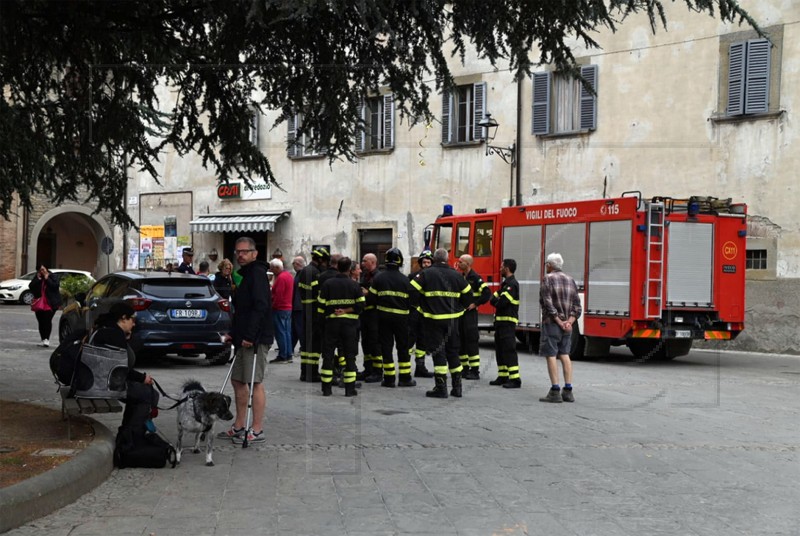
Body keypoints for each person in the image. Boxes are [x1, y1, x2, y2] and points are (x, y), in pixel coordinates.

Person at [218, 237, 274, 444]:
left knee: (254, 381)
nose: (240, 255)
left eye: (245, 251)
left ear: (254, 253)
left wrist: (250, 335)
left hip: (256, 339)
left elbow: (261, 307)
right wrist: (235, 332)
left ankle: (257, 428)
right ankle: (239, 425)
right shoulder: (246, 275)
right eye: (238, 252)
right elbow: (242, 310)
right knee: (237, 380)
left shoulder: (257, 274)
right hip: (243, 338)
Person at [410, 248, 472, 398]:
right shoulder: (456, 275)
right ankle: (457, 388)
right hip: (452, 321)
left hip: (433, 321)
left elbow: (411, 290)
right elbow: (469, 295)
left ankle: (441, 387)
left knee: (439, 353)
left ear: (434, 259)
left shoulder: (426, 273)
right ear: (447, 258)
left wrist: (420, 307)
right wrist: (460, 309)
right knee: (453, 352)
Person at [92, 302, 159, 431]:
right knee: (149, 394)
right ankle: (133, 434)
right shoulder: (114, 335)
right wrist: (142, 378)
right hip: (106, 385)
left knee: (141, 394)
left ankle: (130, 430)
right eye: (132, 319)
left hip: (98, 380)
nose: (134, 324)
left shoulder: (105, 328)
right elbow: (120, 368)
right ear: (123, 318)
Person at [538, 252, 582, 403]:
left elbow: (547, 303)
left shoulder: (547, 279)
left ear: (549, 265)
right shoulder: (570, 280)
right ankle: (568, 390)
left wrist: (558, 320)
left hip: (552, 324)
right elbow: (577, 306)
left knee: (551, 354)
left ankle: (555, 390)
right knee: (565, 354)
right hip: (567, 326)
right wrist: (569, 322)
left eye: (546, 265)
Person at [318, 256, 365, 397]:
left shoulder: (327, 284)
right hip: (350, 327)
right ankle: (349, 389)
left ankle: (326, 389)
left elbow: (320, 307)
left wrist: (329, 316)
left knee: (328, 356)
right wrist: (346, 311)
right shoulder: (355, 285)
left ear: (337, 267)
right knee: (349, 356)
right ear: (350, 269)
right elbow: (361, 305)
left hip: (331, 325)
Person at [370, 248, 416, 388]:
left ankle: (389, 379)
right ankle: (405, 378)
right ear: (400, 261)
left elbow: (371, 299)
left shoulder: (378, 278)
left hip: (383, 318)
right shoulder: (406, 280)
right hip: (402, 319)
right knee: (403, 348)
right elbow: (413, 301)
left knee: (386, 347)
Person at [297, 247, 330, 382]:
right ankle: (313, 373)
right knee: (315, 342)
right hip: (314, 310)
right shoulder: (316, 273)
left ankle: (304, 372)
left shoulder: (304, 271)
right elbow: (319, 292)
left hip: (305, 309)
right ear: (321, 260)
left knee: (306, 342)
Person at [457, 254, 491, 380]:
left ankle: (475, 371)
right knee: (461, 342)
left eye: (460, 262)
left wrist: (476, 303)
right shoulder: (461, 277)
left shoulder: (475, 278)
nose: (458, 263)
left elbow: (487, 293)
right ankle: (464, 369)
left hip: (470, 315)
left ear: (468, 264)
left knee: (471, 342)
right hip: (460, 314)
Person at [489, 259, 521, 388]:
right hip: (501, 323)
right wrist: (496, 300)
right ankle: (503, 375)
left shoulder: (512, 284)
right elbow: (492, 298)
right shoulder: (505, 284)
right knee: (500, 350)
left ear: (507, 268)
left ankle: (515, 379)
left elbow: (501, 303)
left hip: (508, 322)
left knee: (509, 350)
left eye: (501, 267)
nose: (499, 269)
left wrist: (497, 301)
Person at [408, 250, 434, 378]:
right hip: (414, 312)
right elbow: (410, 293)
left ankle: (420, 367)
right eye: (424, 262)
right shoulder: (413, 277)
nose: (426, 264)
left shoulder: (434, 277)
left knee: (422, 341)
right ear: (420, 263)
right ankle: (405, 366)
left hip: (426, 314)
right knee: (409, 340)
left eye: (429, 262)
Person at [359, 253, 382, 382]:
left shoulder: (378, 277)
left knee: (375, 343)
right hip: (365, 315)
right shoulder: (365, 275)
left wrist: (368, 293)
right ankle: (368, 369)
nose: (362, 263)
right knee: (366, 343)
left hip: (374, 315)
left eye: (364, 261)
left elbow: (379, 296)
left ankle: (378, 371)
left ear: (372, 262)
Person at [29, 265, 62, 347]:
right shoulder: (37, 278)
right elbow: (31, 287)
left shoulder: (53, 276)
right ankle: (43, 338)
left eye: (43, 269)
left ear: (47, 269)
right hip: (39, 303)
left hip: (50, 303)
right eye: (40, 270)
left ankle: (47, 339)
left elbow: (55, 286)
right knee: (41, 321)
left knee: (47, 320)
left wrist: (47, 279)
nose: (42, 271)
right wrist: (38, 279)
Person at [269, 258, 294, 364]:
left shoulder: (281, 278)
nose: (271, 271)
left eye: (272, 268)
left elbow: (278, 295)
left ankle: (283, 355)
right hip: (288, 307)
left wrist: (273, 306)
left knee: (280, 332)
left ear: (277, 267)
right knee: (287, 332)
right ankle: (288, 354)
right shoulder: (288, 276)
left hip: (280, 308)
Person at [291, 256, 306, 355]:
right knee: (295, 328)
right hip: (297, 305)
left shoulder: (302, 274)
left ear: (297, 264)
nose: (293, 266)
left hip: (299, 306)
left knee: (299, 328)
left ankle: (304, 347)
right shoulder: (299, 274)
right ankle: (290, 347)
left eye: (293, 264)